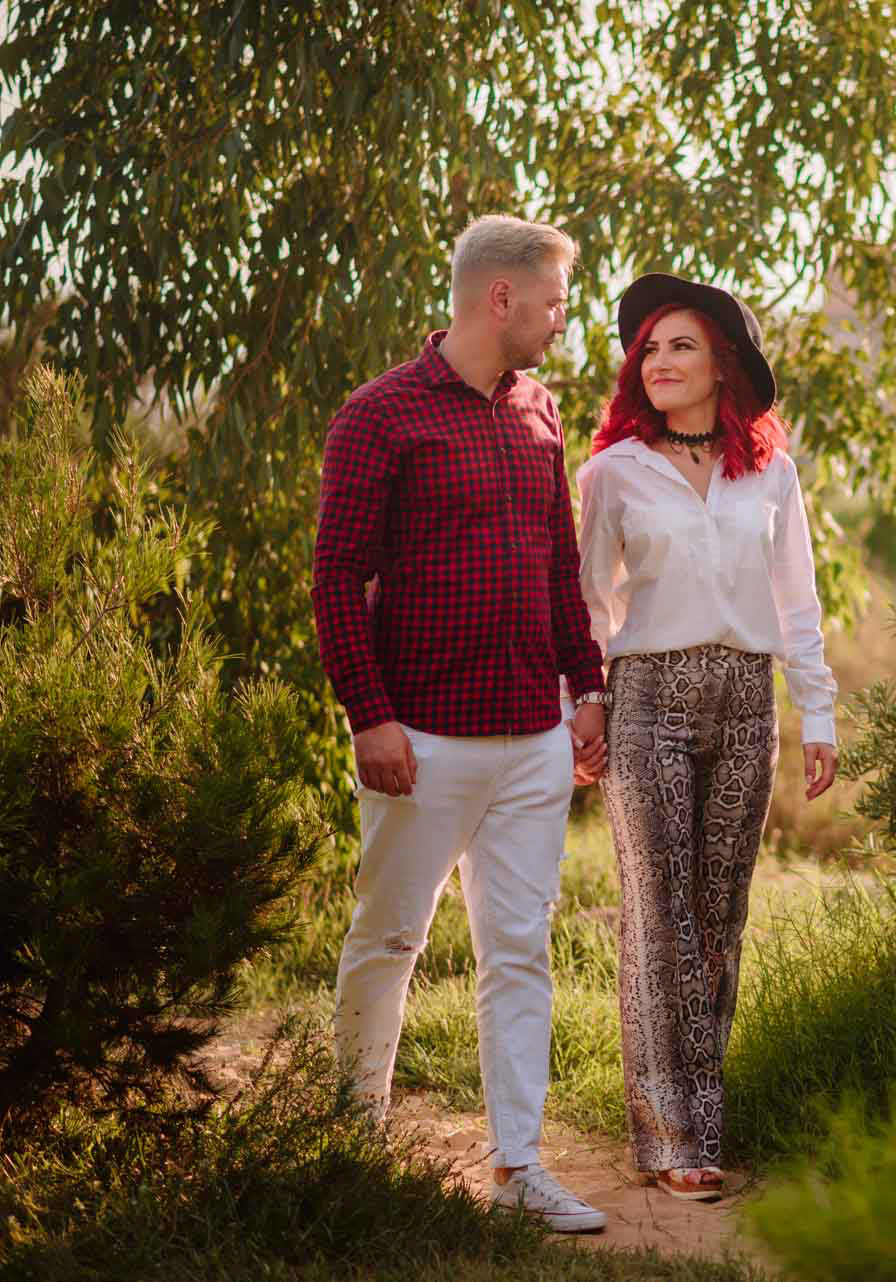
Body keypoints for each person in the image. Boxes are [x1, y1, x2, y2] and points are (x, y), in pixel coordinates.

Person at [312, 214, 612, 1233]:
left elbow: (560, 566)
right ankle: (352, 1144)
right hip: (421, 742)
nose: (560, 321)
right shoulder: (380, 414)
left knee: (518, 949)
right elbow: (336, 578)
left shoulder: (542, 412)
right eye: (555, 302)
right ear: (502, 297)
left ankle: (518, 1167)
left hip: (532, 738)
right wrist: (371, 716)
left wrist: (590, 688)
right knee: (389, 937)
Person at [575, 273, 838, 1202]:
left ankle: (704, 1116)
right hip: (647, 694)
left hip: (747, 697)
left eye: (679, 346)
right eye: (648, 349)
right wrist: (586, 700)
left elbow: (796, 601)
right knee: (661, 914)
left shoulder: (770, 471)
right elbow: (587, 601)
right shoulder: (611, 471)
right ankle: (670, 1136)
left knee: (719, 918)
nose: (659, 363)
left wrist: (821, 712)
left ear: (723, 362)